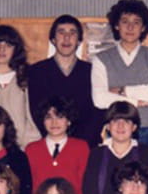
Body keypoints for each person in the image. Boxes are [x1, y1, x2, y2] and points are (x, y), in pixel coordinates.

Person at [91, 0, 148, 154]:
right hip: (117, 131)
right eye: (125, 21)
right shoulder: (101, 59)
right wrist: (136, 102)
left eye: (136, 22)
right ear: (116, 25)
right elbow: (99, 99)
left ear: (143, 27)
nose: (130, 27)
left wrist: (123, 90)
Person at [27, 14, 104, 148]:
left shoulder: (93, 72)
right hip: (49, 145)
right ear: (53, 39)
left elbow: (98, 113)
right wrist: (56, 140)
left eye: (72, 33)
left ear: (79, 40)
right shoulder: (36, 72)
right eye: (61, 32)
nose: (66, 38)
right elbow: (35, 112)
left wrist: (80, 144)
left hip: (86, 145)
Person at [83, 101, 148, 194]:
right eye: (115, 121)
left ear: (134, 127)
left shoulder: (147, 154)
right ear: (108, 126)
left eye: (126, 121)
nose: (120, 126)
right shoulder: (96, 155)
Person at [0, 25, 41, 149]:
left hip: (22, 148)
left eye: (8, 45)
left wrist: (28, 147)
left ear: (16, 49)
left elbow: (32, 119)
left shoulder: (28, 78)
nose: (2, 49)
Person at [25, 96, 89, 194]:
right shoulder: (32, 149)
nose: (54, 123)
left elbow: (83, 187)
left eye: (60, 117)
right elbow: (30, 187)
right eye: (49, 117)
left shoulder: (81, 147)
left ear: (68, 121)